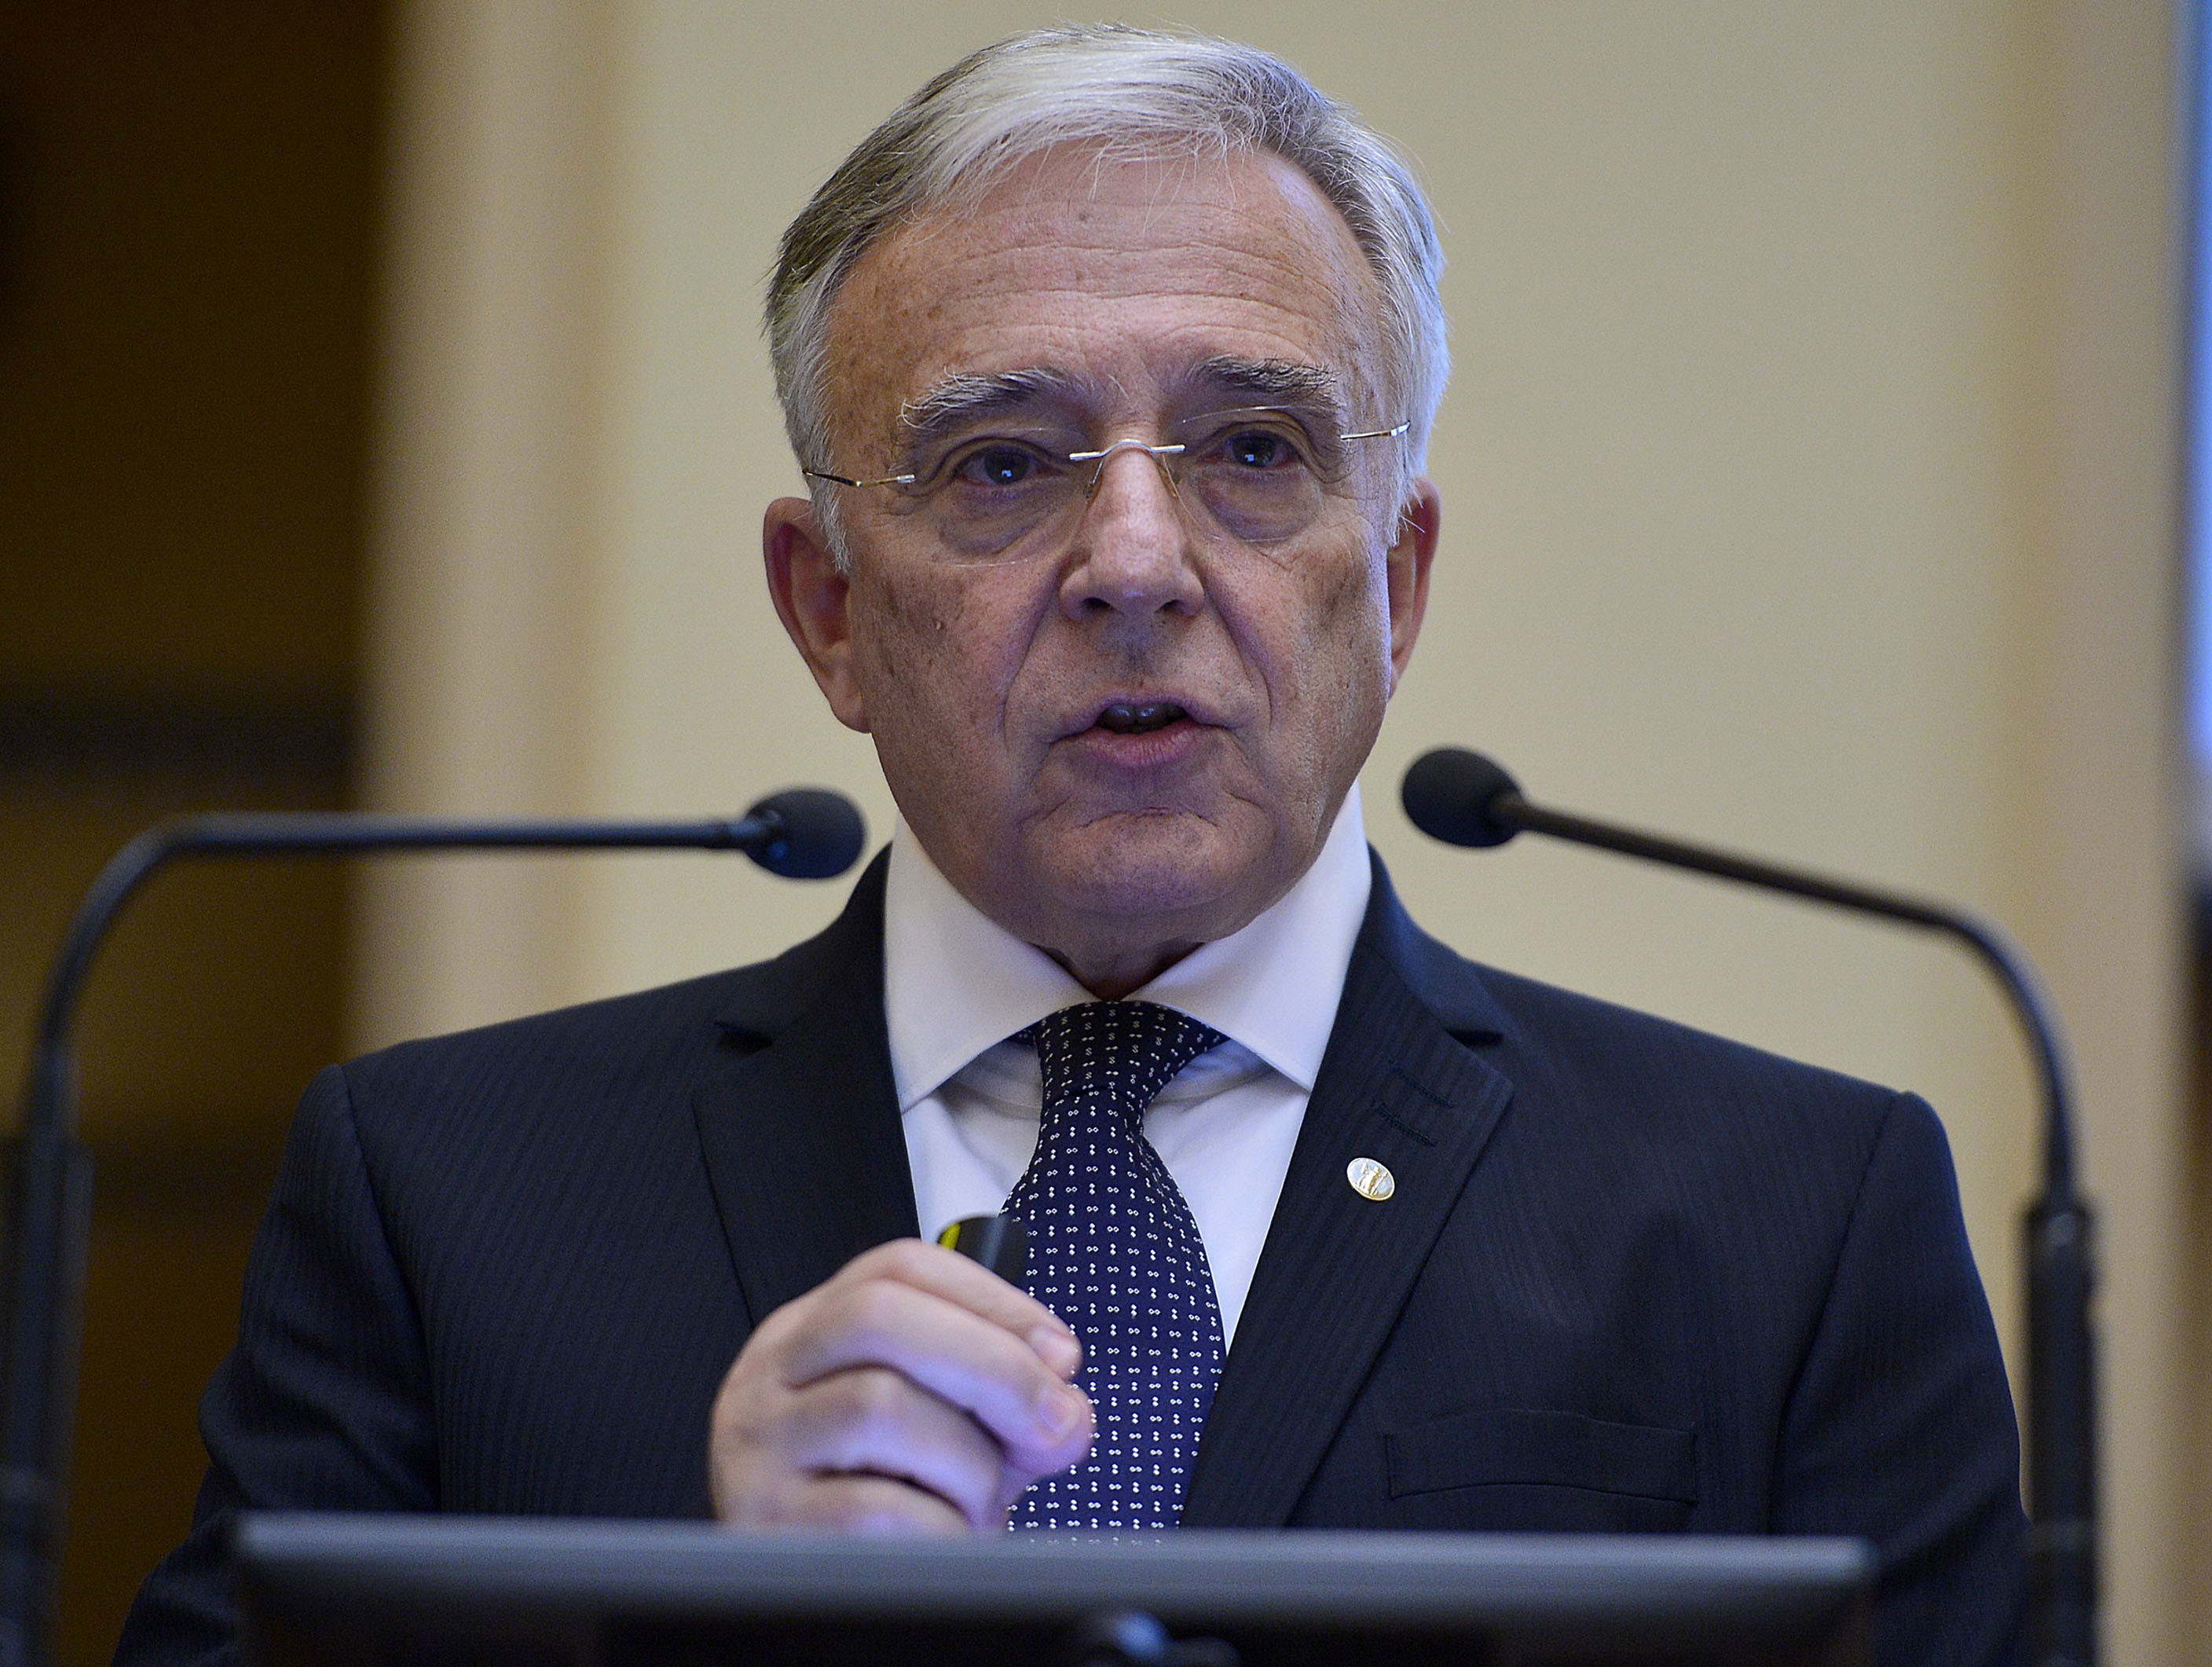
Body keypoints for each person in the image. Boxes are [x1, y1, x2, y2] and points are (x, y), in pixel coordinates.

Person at [118, 24, 2026, 1665]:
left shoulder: (1790, 1226)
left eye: (1252, 447)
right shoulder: (444, 1206)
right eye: (1001, 463)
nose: (1132, 563)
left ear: (1396, 578)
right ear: (827, 611)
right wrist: (704, 1613)